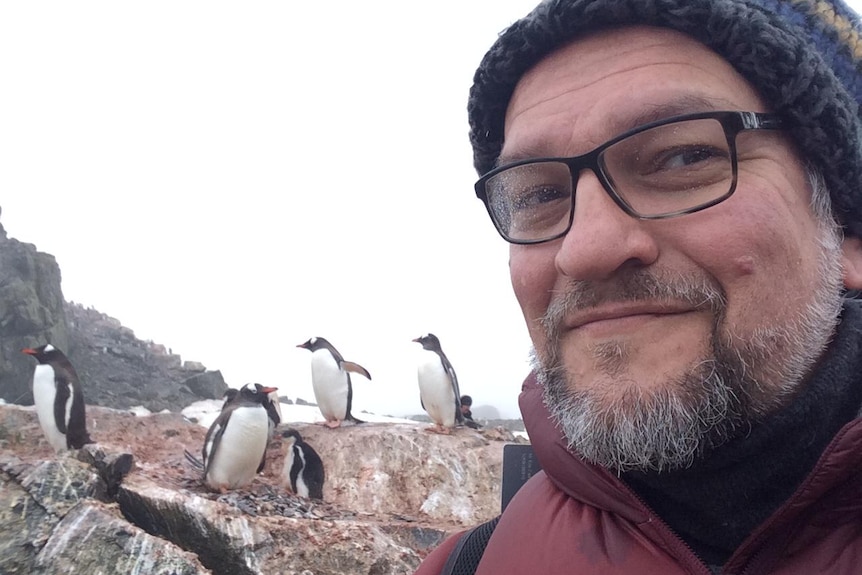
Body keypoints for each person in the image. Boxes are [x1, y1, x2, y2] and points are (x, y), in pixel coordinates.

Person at [415, 0, 862, 573]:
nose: (587, 249)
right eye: (540, 195)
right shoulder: (468, 565)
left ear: (847, 232)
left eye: (681, 157)